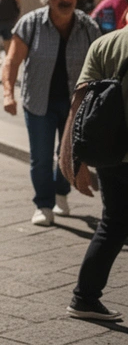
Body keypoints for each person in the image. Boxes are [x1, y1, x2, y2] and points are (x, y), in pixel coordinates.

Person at [2, 0, 99, 227]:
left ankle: (61, 193)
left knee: (66, 155)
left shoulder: (89, 27)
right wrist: (7, 94)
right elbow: (12, 61)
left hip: (75, 106)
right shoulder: (30, 24)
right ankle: (43, 204)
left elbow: (100, 68)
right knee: (41, 157)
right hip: (39, 102)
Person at [61, 23, 128, 321]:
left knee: (112, 223)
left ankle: (85, 297)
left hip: (110, 150)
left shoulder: (104, 44)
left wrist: (74, 157)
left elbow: (79, 103)